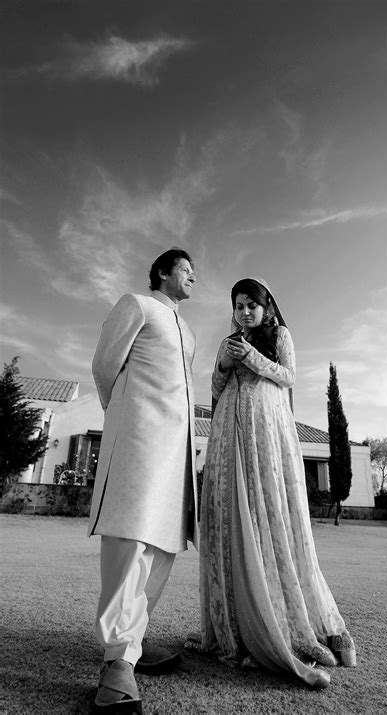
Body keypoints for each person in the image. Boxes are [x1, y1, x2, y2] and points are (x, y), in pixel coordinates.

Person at [188, 277, 356, 689]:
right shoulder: (226, 345)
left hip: (267, 438)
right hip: (229, 438)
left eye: (252, 305)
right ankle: (237, 630)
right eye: (238, 305)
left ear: (267, 307)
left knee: (271, 518)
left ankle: (292, 624)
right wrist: (226, 364)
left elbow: (289, 376)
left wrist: (253, 358)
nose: (245, 312)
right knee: (230, 522)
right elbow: (214, 388)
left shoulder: (280, 335)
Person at [88, 248, 198, 713]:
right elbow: (103, 367)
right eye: (187, 270)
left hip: (178, 451)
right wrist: (127, 420)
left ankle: (132, 641)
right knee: (131, 538)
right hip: (139, 442)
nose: (193, 277)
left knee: (164, 545)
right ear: (162, 272)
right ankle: (117, 664)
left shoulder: (188, 330)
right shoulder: (136, 304)